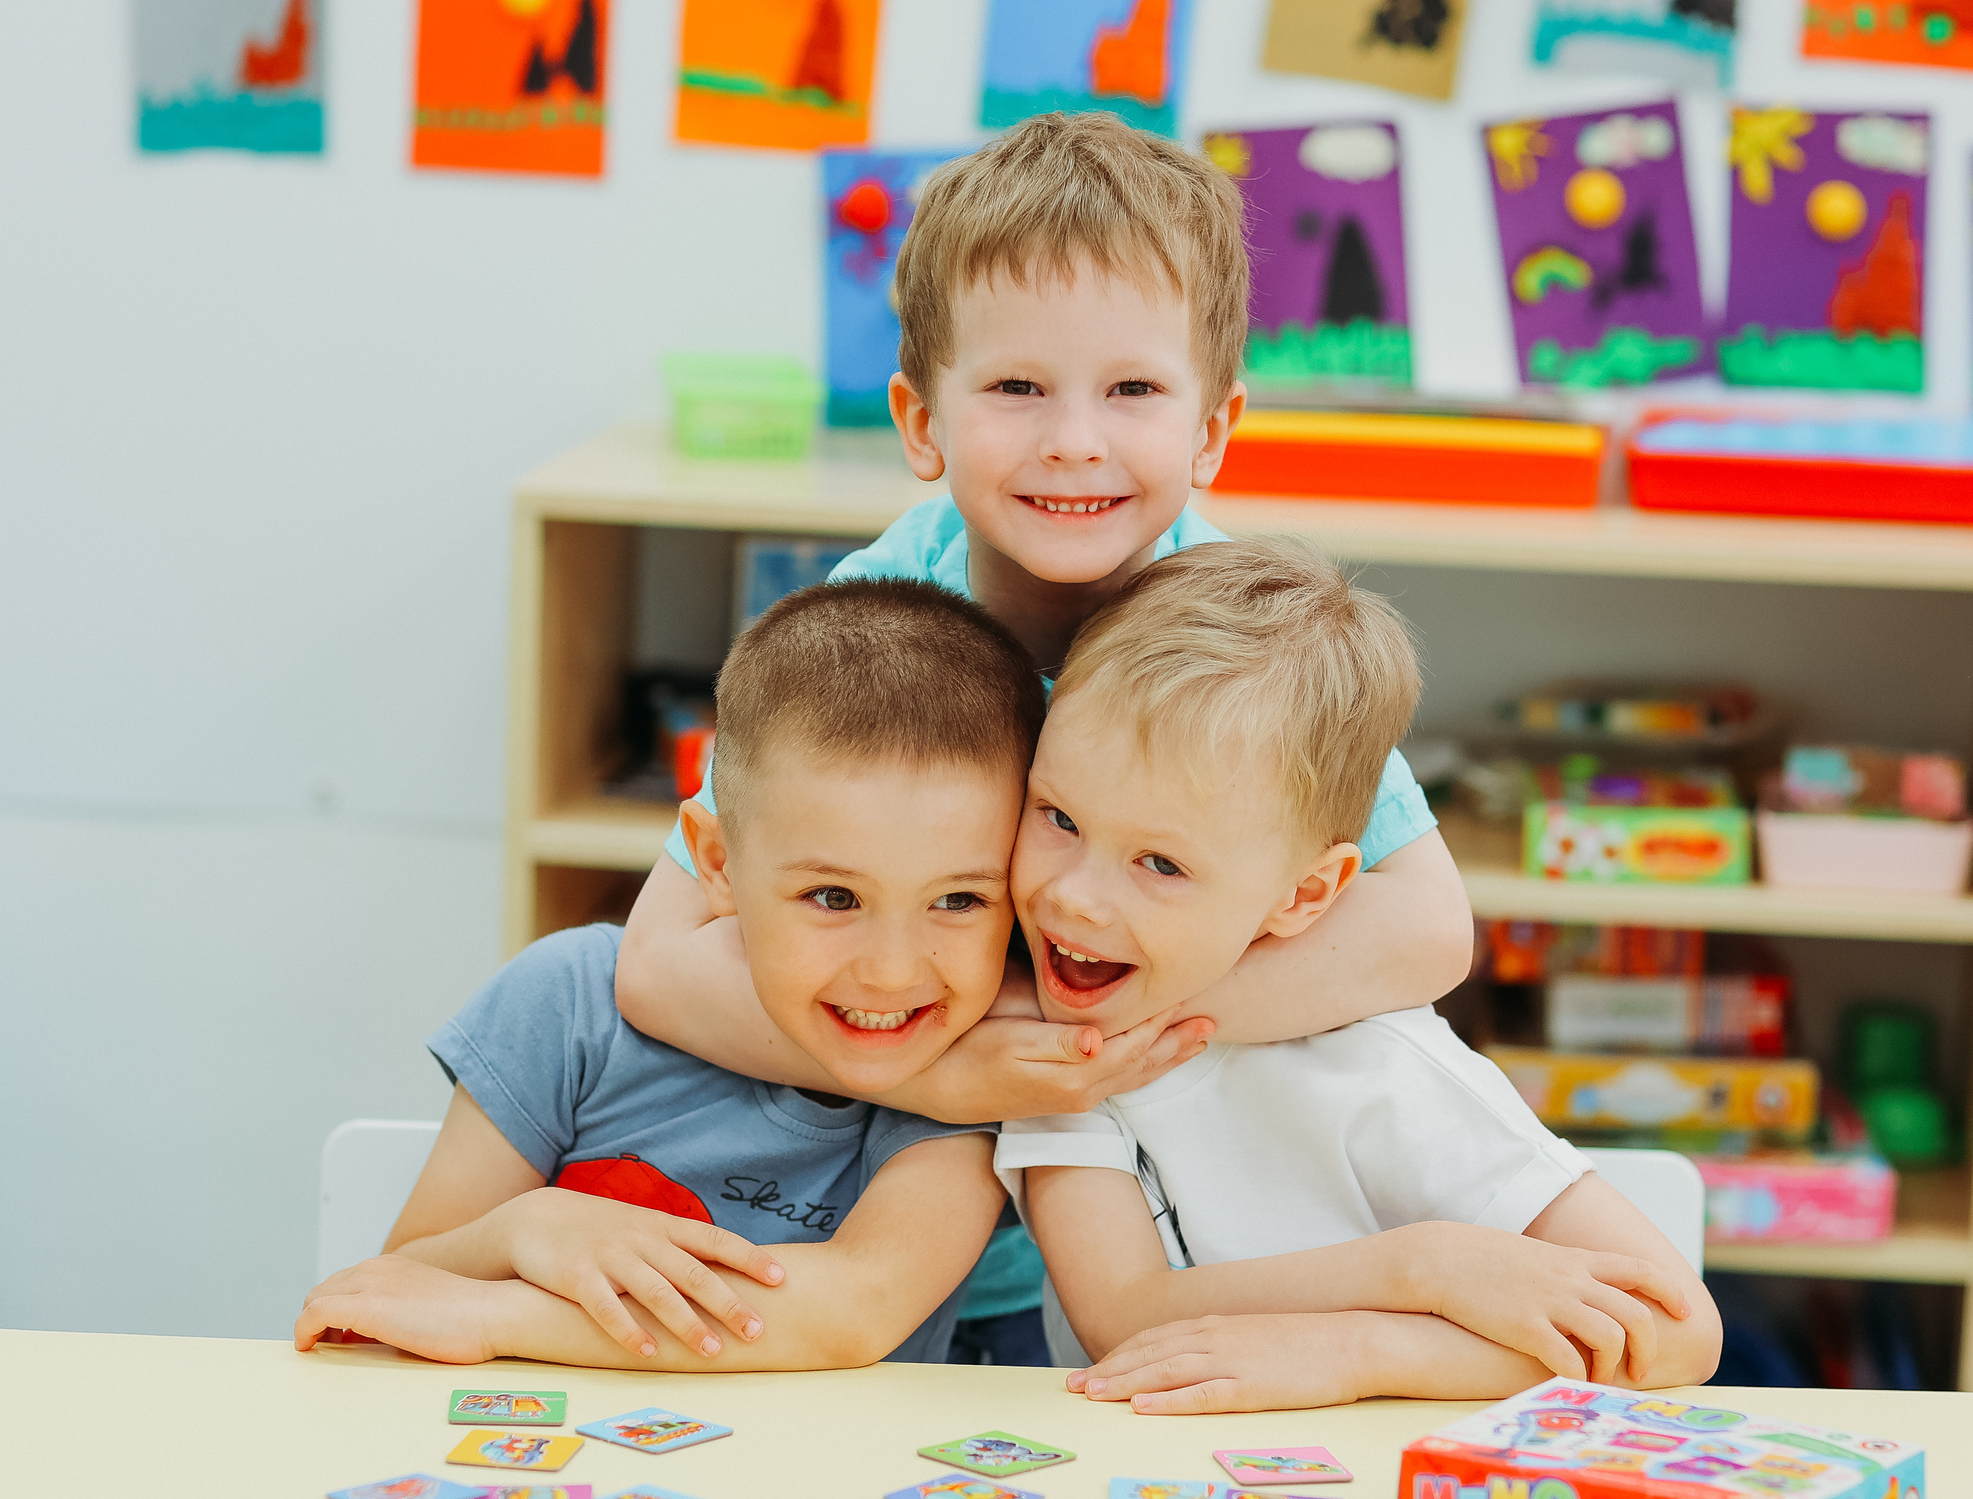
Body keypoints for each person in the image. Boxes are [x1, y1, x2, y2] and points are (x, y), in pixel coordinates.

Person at [613, 110, 1479, 1354]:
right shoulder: (857, 628)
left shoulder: (1248, 643)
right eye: (1017, 388)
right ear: (922, 421)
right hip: (845, 1221)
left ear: (1213, 427)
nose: (1075, 438)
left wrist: (1096, 1039)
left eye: (1132, 390)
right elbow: (656, 961)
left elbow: (1424, 925)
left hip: (1164, 1242)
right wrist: (951, 1070)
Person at [995, 539, 1725, 1413]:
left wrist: (1366, 1349)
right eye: (1058, 816)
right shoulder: (1061, 1053)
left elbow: (1679, 1333)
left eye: (1160, 863)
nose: (1074, 898)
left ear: (1304, 894)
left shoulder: (1381, 1063)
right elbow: (1123, 1314)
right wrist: (1420, 1270)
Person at [292, 578, 1041, 1368]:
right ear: (716, 861)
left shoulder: (978, 1072)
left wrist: (498, 1315)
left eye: (958, 899)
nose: (892, 972)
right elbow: (386, 1290)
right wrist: (523, 1229)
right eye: (833, 896)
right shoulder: (569, 1001)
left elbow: (854, 1308)